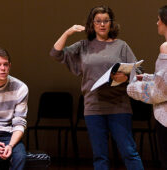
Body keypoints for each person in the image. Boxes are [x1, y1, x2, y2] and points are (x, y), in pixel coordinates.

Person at [50, 5, 144, 170]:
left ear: (111, 23)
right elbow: (56, 53)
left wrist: (126, 76)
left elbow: (138, 70)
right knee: (100, 156)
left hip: (119, 105)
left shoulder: (121, 45)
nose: (102, 24)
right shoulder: (83, 46)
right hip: (93, 106)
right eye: (98, 21)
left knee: (129, 152)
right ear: (92, 24)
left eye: (106, 21)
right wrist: (68, 32)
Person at [127, 5, 167, 170]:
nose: (156, 23)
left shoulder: (166, 47)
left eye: (158, 19)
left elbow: (160, 92)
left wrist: (131, 86)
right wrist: (149, 77)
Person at [0, 47, 28, 169]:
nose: (3, 68)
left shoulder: (20, 88)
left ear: (9, 65)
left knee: (19, 156)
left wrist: (10, 145)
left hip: (8, 134)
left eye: (5, 64)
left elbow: (19, 122)